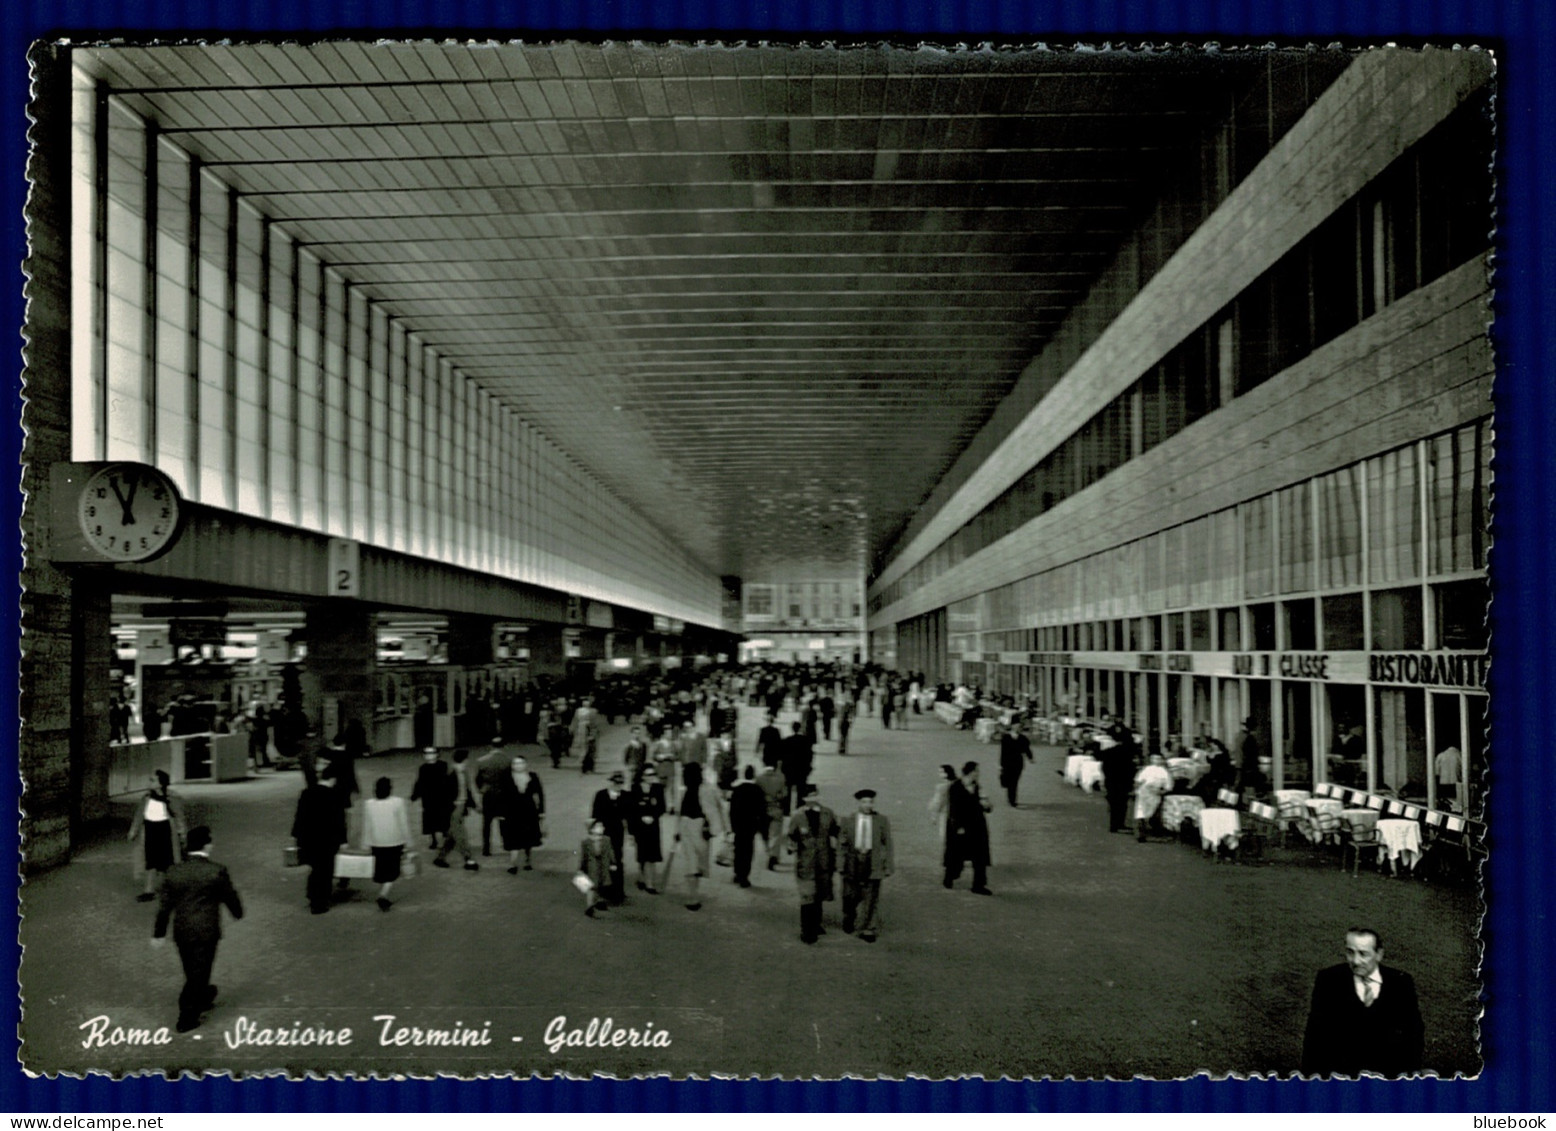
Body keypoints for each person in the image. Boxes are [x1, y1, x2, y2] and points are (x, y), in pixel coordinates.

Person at [151, 825, 243, 1033]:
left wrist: (159, 933)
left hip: (182, 931)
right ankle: (187, 1016)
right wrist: (237, 912)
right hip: (207, 930)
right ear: (207, 846)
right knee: (200, 971)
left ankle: (204, 995)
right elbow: (229, 895)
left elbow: (164, 906)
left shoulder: (173, 872)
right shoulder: (216, 871)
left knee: (192, 968)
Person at [1301, 927, 1425, 1078]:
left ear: (1379, 954)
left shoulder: (1401, 982)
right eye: (1350, 952)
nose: (1355, 961)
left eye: (1363, 954)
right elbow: (1314, 1034)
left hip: (1389, 1079)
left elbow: (1414, 1034)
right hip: (1341, 1079)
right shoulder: (1329, 980)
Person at [291, 761, 348, 913]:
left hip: (308, 839)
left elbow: (300, 817)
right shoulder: (335, 796)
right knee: (325, 871)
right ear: (333, 779)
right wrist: (343, 841)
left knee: (315, 868)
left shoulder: (306, 793)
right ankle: (319, 901)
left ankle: (312, 895)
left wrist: (296, 836)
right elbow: (339, 821)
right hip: (327, 841)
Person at [838, 788, 893, 942]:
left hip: (872, 862)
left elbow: (887, 844)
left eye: (870, 802)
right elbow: (841, 845)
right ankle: (849, 916)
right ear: (858, 803)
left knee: (871, 897)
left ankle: (868, 928)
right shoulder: (848, 820)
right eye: (864, 802)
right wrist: (840, 864)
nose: (868, 805)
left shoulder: (881, 820)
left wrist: (888, 865)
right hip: (852, 862)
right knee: (850, 895)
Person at [787, 783, 839, 943]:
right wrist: (792, 846)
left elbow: (835, 832)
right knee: (807, 895)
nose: (813, 799)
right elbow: (790, 837)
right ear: (804, 799)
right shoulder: (797, 816)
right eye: (809, 796)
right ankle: (807, 931)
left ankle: (816, 924)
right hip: (806, 863)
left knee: (819, 894)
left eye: (815, 795)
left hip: (824, 862)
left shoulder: (828, 813)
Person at [672, 761, 727, 912]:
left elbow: (681, 811)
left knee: (693, 864)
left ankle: (693, 895)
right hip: (699, 829)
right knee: (694, 863)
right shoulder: (707, 788)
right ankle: (693, 896)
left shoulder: (689, 790)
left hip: (694, 828)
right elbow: (721, 808)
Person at [128, 770, 184, 903]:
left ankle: (170, 889)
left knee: (167, 861)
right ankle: (149, 890)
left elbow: (179, 816)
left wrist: (182, 833)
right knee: (150, 860)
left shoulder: (172, 798)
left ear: (160, 784)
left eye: (152, 780)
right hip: (149, 830)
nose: (149, 782)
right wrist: (133, 831)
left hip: (165, 831)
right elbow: (139, 815)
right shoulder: (146, 798)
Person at [360, 776, 411, 912]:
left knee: (381, 870)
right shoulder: (398, 802)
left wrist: (365, 843)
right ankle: (383, 894)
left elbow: (367, 824)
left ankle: (383, 892)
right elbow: (403, 824)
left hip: (377, 842)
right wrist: (408, 842)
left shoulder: (369, 804)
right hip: (395, 841)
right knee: (393, 871)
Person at [943, 761, 993, 895]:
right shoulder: (955, 787)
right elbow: (953, 809)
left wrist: (986, 805)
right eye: (977, 771)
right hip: (960, 827)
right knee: (956, 855)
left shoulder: (978, 787)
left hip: (977, 827)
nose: (978, 774)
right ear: (970, 772)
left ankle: (978, 885)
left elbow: (988, 807)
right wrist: (958, 827)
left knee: (980, 857)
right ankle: (950, 876)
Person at [496, 754, 546, 874]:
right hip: (511, 811)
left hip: (529, 810)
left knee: (528, 836)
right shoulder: (506, 777)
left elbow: (539, 794)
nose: (518, 766)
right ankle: (513, 863)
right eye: (515, 763)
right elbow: (501, 796)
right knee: (513, 837)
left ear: (525, 764)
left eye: (521, 763)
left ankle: (527, 861)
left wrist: (541, 811)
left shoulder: (533, 776)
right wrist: (501, 812)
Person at [434, 748, 481, 871]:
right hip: (453, 809)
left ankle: (440, 858)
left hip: (460, 806)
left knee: (452, 835)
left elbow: (466, 791)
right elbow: (445, 795)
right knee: (460, 835)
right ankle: (468, 859)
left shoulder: (461, 772)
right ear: (464, 760)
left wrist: (474, 805)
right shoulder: (451, 773)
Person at [589, 771, 632, 903]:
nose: (618, 785)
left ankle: (618, 891)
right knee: (603, 860)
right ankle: (604, 890)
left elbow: (629, 816)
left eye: (620, 783)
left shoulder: (626, 796)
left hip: (618, 833)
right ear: (611, 782)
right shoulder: (601, 795)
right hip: (603, 832)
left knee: (617, 860)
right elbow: (595, 815)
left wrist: (630, 834)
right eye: (616, 782)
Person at [728, 765, 768, 888]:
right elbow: (762, 810)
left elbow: (732, 809)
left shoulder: (737, 789)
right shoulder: (758, 790)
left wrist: (732, 825)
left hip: (739, 824)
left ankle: (737, 872)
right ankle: (744, 875)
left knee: (738, 848)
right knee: (748, 850)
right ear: (753, 775)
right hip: (751, 825)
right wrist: (762, 828)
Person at [629, 764, 667, 894]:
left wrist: (653, 816)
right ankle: (641, 877)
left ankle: (650, 883)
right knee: (642, 853)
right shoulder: (635, 788)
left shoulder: (658, 788)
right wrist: (641, 818)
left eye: (653, 774)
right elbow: (632, 808)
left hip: (653, 826)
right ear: (642, 776)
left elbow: (662, 807)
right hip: (639, 826)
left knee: (652, 855)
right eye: (648, 775)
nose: (651, 777)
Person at [410, 747, 455, 852]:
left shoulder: (425, 768)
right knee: (435, 818)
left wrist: (415, 795)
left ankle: (437, 839)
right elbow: (420, 782)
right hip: (437, 797)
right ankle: (438, 838)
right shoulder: (441, 765)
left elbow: (420, 783)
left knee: (434, 818)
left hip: (433, 797)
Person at [1101, 723, 1137, 834]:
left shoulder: (1108, 750)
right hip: (1122, 779)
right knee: (1121, 802)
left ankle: (1115, 825)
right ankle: (1118, 825)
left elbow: (1104, 766)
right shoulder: (1127, 750)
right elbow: (1131, 766)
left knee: (1114, 802)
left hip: (1112, 779)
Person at [577, 819, 615, 917]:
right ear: (592, 829)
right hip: (592, 867)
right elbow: (584, 856)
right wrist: (581, 868)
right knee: (591, 886)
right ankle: (589, 906)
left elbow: (610, 852)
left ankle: (598, 901)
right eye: (599, 827)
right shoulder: (586, 842)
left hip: (603, 866)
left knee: (600, 884)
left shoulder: (606, 839)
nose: (602, 828)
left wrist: (613, 862)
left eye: (602, 826)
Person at [475, 739, 507, 856]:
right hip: (503, 795)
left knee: (486, 823)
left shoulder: (482, 761)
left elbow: (478, 779)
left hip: (488, 794)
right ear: (503, 746)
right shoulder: (508, 761)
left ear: (491, 746)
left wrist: (482, 790)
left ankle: (486, 848)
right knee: (503, 821)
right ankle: (505, 843)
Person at [756, 759, 789, 870]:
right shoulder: (781, 778)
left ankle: (768, 850)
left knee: (764, 833)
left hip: (763, 810)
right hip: (776, 808)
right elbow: (784, 794)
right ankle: (773, 855)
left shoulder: (759, 778)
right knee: (775, 834)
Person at [1133, 753, 1173, 842]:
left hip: (1155, 794)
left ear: (1162, 760)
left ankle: (1156, 832)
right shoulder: (1147, 769)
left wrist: (1161, 792)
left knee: (1153, 813)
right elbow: (1138, 780)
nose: (1156, 761)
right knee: (1141, 812)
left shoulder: (1164, 772)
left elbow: (1168, 786)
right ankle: (1141, 834)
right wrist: (1136, 790)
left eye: (1158, 759)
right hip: (1144, 792)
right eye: (1154, 758)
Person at [998, 723, 1034, 807]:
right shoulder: (1006, 738)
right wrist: (1001, 764)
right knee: (1010, 782)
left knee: (1014, 782)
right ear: (1013, 727)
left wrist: (1030, 758)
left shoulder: (1023, 738)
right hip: (1008, 763)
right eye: (1018, 727)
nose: (1019, 729)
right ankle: (1011, 799)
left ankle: (1012, 800)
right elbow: (1003, 752)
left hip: (1018, 763)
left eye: (1020, 727)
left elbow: (1027, 749)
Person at [571, 696, 600, 774]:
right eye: (584, 701)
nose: (586, 703)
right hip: (580, 732)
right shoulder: (578, 711)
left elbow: (595, 723)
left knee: (590, 749)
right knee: (583, 749)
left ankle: (590, 766)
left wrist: (593, 733)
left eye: (587, 701)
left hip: (589, 731)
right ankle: (583, 766)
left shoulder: (593, 711)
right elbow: (575, 721)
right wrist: (573, 729)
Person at [927, 764, 955, 845]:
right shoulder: (958, 784)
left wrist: (933, 816)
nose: (939, 774)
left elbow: (937, 802)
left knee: (946, 838)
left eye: (941, 772)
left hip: (945, 815)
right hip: (958, 816)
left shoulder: (941, 787)